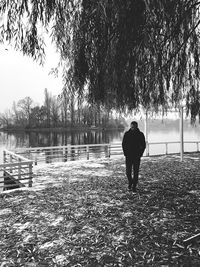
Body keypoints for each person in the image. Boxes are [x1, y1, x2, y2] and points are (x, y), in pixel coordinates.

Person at [122, 121, 146, 192]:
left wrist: (140, 154)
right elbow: (123, 144)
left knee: (136, 172)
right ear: (130, 126)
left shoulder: (140, 134)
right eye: (132, 127)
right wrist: (125, 153)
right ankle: (130, 182)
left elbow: (143, 145)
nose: (133, 128)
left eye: (134, 127)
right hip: (128, 156)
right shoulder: (127, 134)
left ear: (137, 127)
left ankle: (134, 186)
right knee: (128, 172)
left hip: (136, 156)